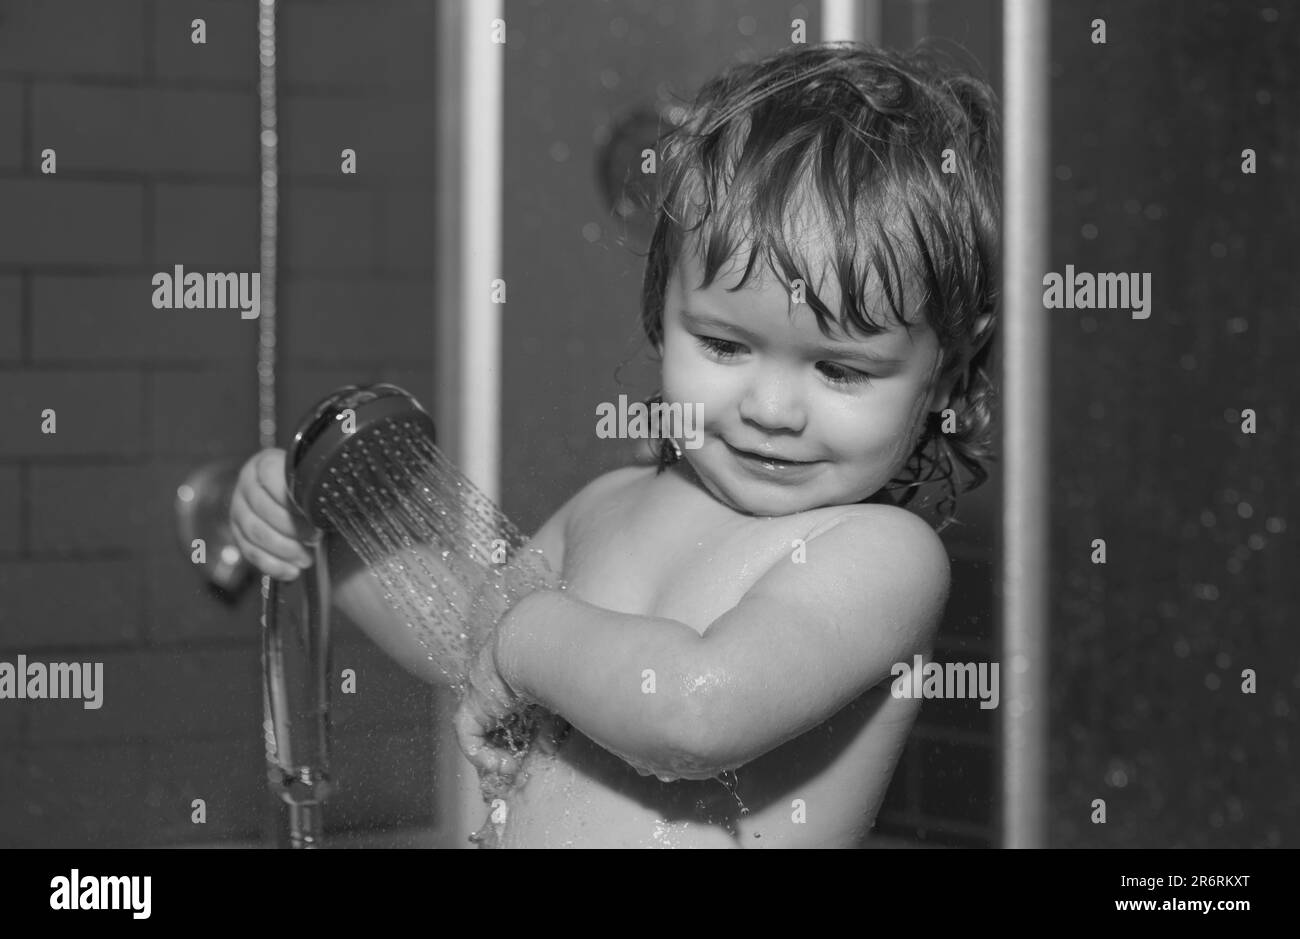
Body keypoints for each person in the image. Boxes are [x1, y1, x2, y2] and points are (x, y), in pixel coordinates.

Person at [231, 41, 1000, 847]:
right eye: (726, 346)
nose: (773, 408)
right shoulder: (610, 506)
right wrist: (327, 521)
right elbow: (470, 635)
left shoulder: (882, 557)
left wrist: (527, 639)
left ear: (942, 378)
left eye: (840, 369)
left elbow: (697, 712)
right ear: (660, 319)